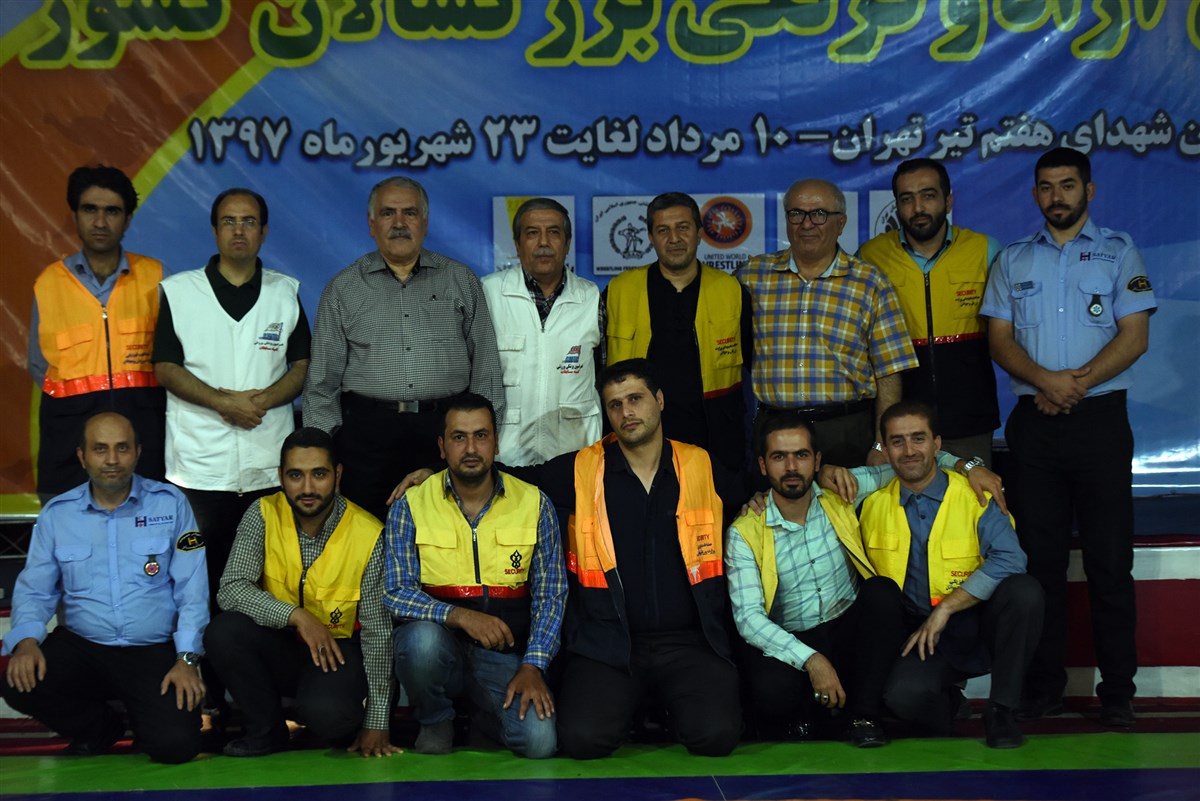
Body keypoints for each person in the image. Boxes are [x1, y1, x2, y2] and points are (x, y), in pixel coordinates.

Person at [982, 147, 1155, 728]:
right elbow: (1000, 340)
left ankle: (1119, 693)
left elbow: (1134, 337)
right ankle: (1044, 689)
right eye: (1046, 186)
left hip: (1100, 422)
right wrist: (1046, 382)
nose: (1056, 196)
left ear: (1089, 191)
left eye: (1067, 185)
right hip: (1034, 428)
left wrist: (1071, 385)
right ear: (1035, 194)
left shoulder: (1119, 251)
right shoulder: (1013, 259)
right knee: (1040, 566)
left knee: (1110, 563)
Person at [556, 359, 741, 759]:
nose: (627, 412)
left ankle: (663, 708)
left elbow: (758, 486)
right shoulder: (582, 468)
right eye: (615, 405)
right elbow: (509, 478)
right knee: (583, 740)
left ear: (659, 400)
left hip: (688, 643)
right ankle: (637, 708)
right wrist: (431, 472)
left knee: (717, 737)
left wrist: (825, 470)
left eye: (635, 399)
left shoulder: (701, 465)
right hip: (609, 645)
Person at [1, 412, 207, 763]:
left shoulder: (169, 503)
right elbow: (36, 590)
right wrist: (26, 642)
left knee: (176, 747)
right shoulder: (58, 514)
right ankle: (99, 727)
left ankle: (145, 721)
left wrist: (186, 658)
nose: (112, 459)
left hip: (151, 650)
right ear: (82, 456)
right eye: (100, 449)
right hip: (84, 648)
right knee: (17, 680)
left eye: (122, 448)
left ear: (137, 453)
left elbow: (192, 588)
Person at [303, 176, 505, 520]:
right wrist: (321, 457)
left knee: (443, 533)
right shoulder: (343, 288)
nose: (399, 223)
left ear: (425, 222)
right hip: (365, 438)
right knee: (367, 534)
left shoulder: (460, 280)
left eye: (409, 213)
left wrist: (481, 439)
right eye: (388, 213)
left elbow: (486, 371)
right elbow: (322, 384)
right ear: (372, 224)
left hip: (444, 433)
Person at [153, 187, 310, 624]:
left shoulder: (285, 292)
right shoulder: (179, 292)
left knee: (268, 581)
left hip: (267, 466)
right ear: (214, 230)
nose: (238, 230)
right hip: (199, 469)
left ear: (264, 231)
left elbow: (303, 366)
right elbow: (165, 367)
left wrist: (259, 401)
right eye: (229, 221)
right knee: (196, 581)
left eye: (248, 222)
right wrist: (224, 403)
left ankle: (259, 665)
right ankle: (197, 661)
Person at [384, 393, 564, 758]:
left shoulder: (534, 503)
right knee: (420, 644)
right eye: (459, 437)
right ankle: (435, 719)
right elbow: (396, 591)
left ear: (496, 443)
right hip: (437, 646)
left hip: (503, 655)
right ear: (442, 446)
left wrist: (533, 664)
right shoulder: (412, 503)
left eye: (481, 436)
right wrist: (461, 616)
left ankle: (483, 716)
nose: (470, 448)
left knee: (540, 743)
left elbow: (552, 595)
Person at [205, 427, 397, 758]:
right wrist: (296, 616)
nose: (307, 488)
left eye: (319, 474)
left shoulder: (368, 533)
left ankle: (330, 708)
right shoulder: (262, 513)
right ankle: (266, 732)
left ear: (338, 475)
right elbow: (232, 589)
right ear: (281, 476)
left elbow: (378, 633)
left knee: (329, 718)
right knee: (224, 632)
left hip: (338, 651)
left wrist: (377, 722)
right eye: (296, 475)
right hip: (280, 645)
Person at [861, 401, 1042, 748]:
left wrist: (947, 607)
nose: (909, 450)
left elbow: (1011, 559)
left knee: (1024, 592)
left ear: (937, 444)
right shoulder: (872, 506)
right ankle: (946, 704)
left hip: (979, 618)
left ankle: (1002, 711)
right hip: (923, 633)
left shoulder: (975, 495)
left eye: (918, 438)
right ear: (885, 449)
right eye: (897, 441)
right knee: (904, 698)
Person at [725, 410, 904, 747]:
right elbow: (748, 619)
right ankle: (811, 716)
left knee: (882, 594)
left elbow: (908, 464)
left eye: (801, 455)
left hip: (847, 629)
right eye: (779, 457)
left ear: (817, 461)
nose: (792, 467)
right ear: (763, 465)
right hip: (794, 638)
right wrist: (811, 659)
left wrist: (967, 466)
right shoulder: (744, 531)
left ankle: (864, 715)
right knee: (771, 690)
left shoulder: (841, 491)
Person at [739, 179, 917, 468]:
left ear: (841, 223)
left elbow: (889, 372)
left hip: (846, 432)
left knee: (848, 500)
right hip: (776, 431)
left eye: (819, 214)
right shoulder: (753, 276)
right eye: (796, 214)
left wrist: (881, 443)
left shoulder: (870, 283)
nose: (807, 224)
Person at [28, 165, 167, 500]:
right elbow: (39, 365)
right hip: (69, 445)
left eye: (112, 211)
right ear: (75, 216)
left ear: (128, 219)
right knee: (70, 531)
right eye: (90, 209)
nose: (101, 222)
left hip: (144, 441)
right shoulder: (49, 284)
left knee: (149, 529)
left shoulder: (156, 277)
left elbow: (173, 360)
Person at [859, 159, 1000, 464]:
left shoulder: (985, 250)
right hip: (900, 424)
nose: (918, 208)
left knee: (972, 492)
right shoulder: (871, 257)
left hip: (969, 419)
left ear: (948, 201)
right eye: (906, 199)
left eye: (928, 195)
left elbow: (1009, 333)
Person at [605, 192, 753, 473]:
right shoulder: (619, 291)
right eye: (663, 230)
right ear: (650, 237)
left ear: (699, 233)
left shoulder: (730, 291)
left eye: (683, 228)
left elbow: (755, 366)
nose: (674, 238)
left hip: (717, 448)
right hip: (636, 447)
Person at [481, 197, 603, 466]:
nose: (544, 242)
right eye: (532, 233)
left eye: (554, 233)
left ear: (567, 244)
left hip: (575, 458)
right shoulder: (488, 293)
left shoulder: (591, 298)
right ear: (517, 244)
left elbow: (606, 377)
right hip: (505, 458)